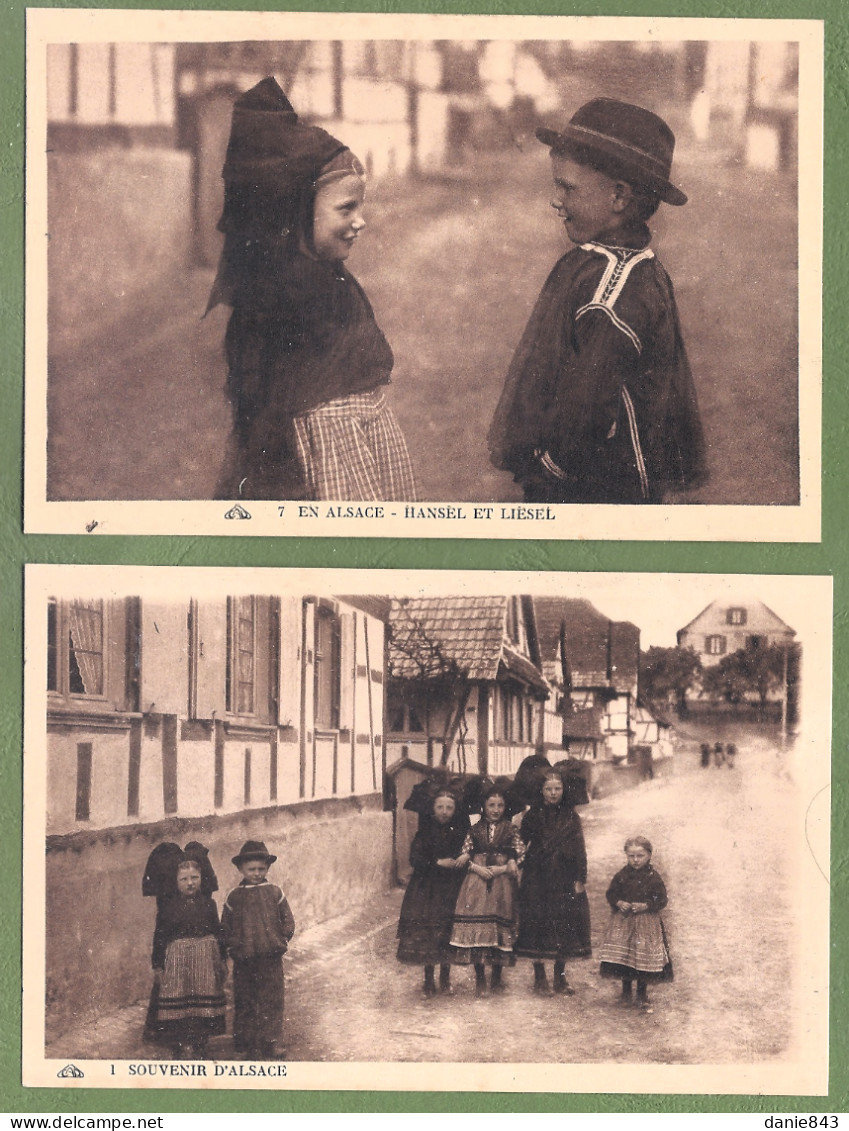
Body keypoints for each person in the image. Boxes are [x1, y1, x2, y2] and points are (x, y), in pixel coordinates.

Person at [487, 97, 708, 504]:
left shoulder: (612, 290)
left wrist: (547, 471)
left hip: (595, 490)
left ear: (619, 197)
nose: (557, 200)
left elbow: (585, 410)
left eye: (567, 187)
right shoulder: (623, 263)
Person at [209, 77, 417, 502]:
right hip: (327, 455)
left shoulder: (319, 278)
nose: (360, 221)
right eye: (346, 208)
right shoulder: (295, 293)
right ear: (298, 211)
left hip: (345, 440)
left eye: (361, 206)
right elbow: (308, 418)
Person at [515, 768, 591, 995]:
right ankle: (540, 978)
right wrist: (516, 862)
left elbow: (580, 849)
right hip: (537, 877)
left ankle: (560, 977)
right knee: (537, 924)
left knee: (563, 925)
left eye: (557, 788)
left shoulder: (571, 816)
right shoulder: (532, 816)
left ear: (563, 790)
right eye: (548, 789)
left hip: (565, 876)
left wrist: (580, 878)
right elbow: (519, 843)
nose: (553, 793)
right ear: (541, 790)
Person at [148, 852, 227, 1059]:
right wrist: (157, 965)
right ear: (176, 882)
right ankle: (180, 1043)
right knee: (179, 1003)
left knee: (201, 1005)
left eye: (195, 878)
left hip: (204, 961)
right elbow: (160, 937)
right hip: (178, 962)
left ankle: (200, 1042)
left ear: (202, 879)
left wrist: (222, 958)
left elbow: (218, 931)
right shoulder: (166, 908)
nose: (190, 883)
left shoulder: (209, 905)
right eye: (184, 879)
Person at [221, 840, 295, 1059]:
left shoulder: (275, 892)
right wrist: (234, 945)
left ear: (267, 868)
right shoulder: (234, 896)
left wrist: (279, 940)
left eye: (261, 869)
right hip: (244, 960)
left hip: (270, 958)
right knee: (245, 1000)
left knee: (271, 1000)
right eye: (251, 869)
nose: (256, 873)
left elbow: (288, 921)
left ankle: (271, 1041)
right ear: (241, 869)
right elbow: (225, 926)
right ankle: (244, 1041)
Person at [449, 784, 524, 997]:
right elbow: (464, 854)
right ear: (484, 806)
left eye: (500, 805)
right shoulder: (474, 830)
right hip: (477, 883)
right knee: (479, 929)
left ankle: (497, 977)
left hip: (501, 885)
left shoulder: (511, 829)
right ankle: (480, 979)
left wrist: (503, 867)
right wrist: (475, 867)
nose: (496, 809)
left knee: (499, 927)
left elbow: (521, 853)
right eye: (491, 805)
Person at [396, 788, 470, 998]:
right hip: (427, 889)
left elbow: (468, 854)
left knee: (447, 932)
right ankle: (429, 981)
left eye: (449, 807)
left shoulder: (461, 833)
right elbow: (415, 859)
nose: (444, 812)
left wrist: (464, 858)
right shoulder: (425, 832)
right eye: (440, 807)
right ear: (433, 809)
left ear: (455, 810)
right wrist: (438, 862)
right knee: (428, 934)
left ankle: (445, 979)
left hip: (452, 888)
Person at [598, 836, 673, 1009]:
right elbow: (611, 893)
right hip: (624, 923)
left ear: (649, 856)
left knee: (642, 958)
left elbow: (662, 899)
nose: (636, 860)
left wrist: (646, 905)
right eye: (631, 856)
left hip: (646, 924)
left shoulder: (653, 877)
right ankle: (625, 993)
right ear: (626, 855)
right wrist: (618, 902)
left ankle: (641, 994)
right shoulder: (622, 875)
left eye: (640, 856)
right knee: (624, 957)